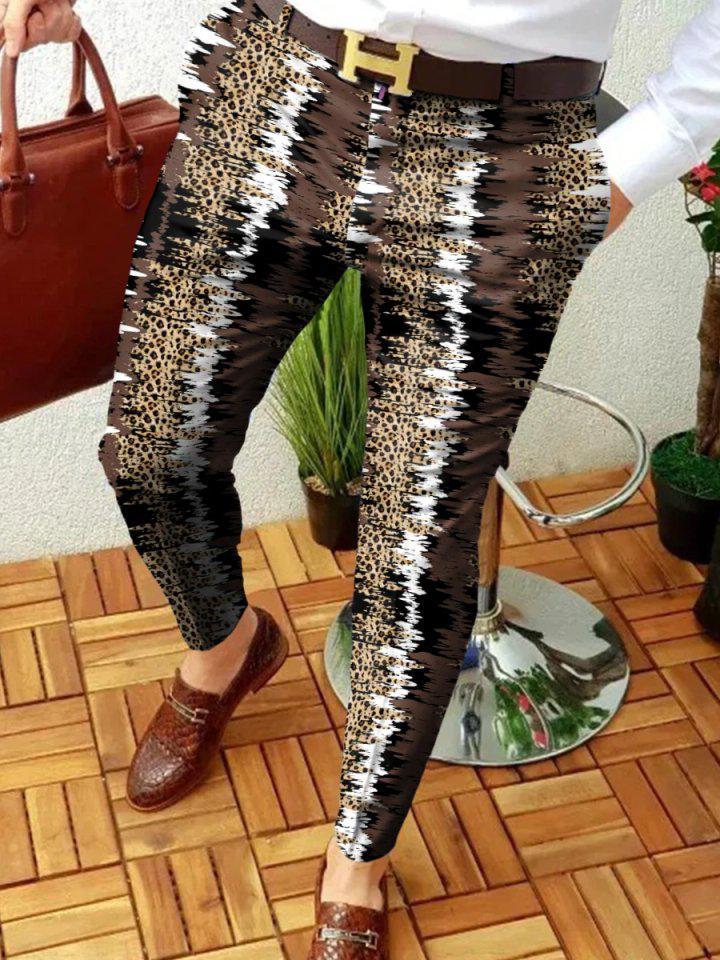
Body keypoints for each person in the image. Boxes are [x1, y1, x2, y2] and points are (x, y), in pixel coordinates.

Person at [3, 1, 718, 957]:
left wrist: (643, 151)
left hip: (502, 145)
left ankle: (358, 860)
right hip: (278, 81)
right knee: (152, 449)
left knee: (418, 553)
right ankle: (226, 649)